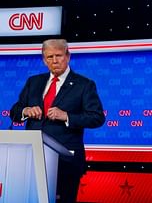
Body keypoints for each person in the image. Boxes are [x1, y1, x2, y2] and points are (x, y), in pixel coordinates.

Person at [10, 38, 106, 203]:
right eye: (49, 57)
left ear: (68, 56)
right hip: (32, 159)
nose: (54, 61)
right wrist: (26, 111)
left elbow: (97, 117)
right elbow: (14, 111)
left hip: (66, 161)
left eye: (59, 55)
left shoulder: (84, 85)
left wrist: (67, 116)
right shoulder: (33, 82)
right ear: (44, 60)